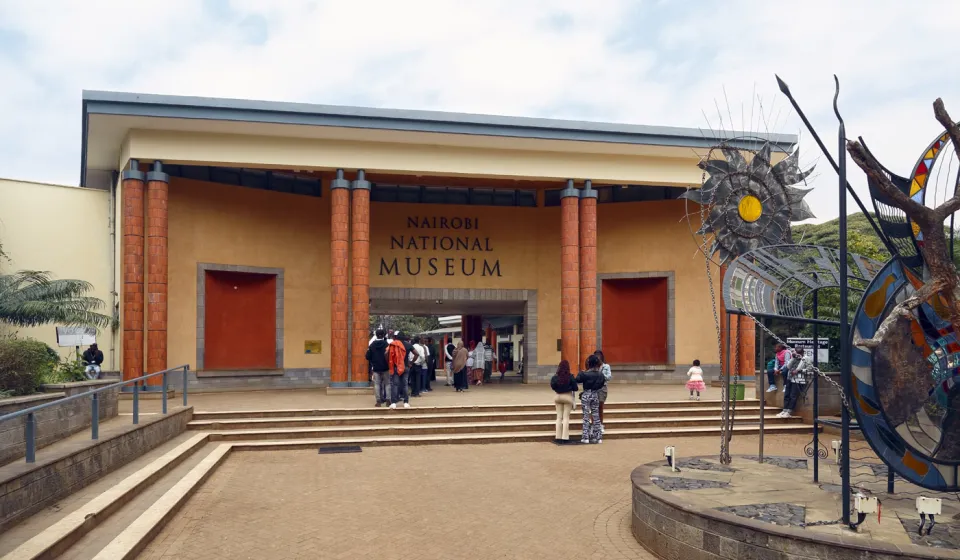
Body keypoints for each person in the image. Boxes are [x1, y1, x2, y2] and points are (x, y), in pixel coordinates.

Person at [575, 355, 605, 444]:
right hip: (595, 394)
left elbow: (577, 380)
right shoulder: (600, 374)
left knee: (586, 416)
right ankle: (598, 437)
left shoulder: (584, 374)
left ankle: (585, 437)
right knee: (596, 416)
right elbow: (601, 384)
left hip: (586, 394)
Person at [550, 360, 578, 443]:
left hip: (557, 396)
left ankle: (558, 436)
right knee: (566, 418)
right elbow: (575, 388)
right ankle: (565, 437)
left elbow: (552, 386)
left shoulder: (555, 377)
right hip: (567, 397)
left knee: (559, 417)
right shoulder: (570, 376)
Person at [778, 352, 809, 418]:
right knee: (787, 394)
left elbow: (809, 370)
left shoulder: (806, 359)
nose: (797, 355)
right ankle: (784, 410)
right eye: (796, 353)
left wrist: (799, 371)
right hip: (790, 378)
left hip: (799, 380)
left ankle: (789, 411)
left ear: (802, 352)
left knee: (793, 395)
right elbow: (788, 366)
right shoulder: (794, 358)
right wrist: (793, 358)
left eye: (798, 353)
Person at [365, 329, 390, 407]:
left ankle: (378, 401)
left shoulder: (372, 345)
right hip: (386, 367)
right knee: (387, 384)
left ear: (376, 335)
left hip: (376, 368)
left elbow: (367, 356)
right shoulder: (386, 344)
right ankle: (388, 400)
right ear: (383, 335)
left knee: (377, 384)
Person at [387, 334, 410, 409]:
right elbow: (416, 353)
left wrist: (389, 362)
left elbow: (386, 354)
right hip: (405, 367)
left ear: (396, 338)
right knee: (405, 385)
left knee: (395, 385)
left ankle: (393, 403)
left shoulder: (393, 344)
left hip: (396, 367)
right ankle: (406, 403)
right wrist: (411, 363)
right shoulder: (408, 345)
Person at [594, 350, 611, 427]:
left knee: (600, 406)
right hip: (594, 388)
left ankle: (601, 424)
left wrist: (600, 376)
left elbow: (609, 377)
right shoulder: (593, 367)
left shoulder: (606, 366)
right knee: (593, 408)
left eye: (599, 357)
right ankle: (594, 424)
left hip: (602, 388)